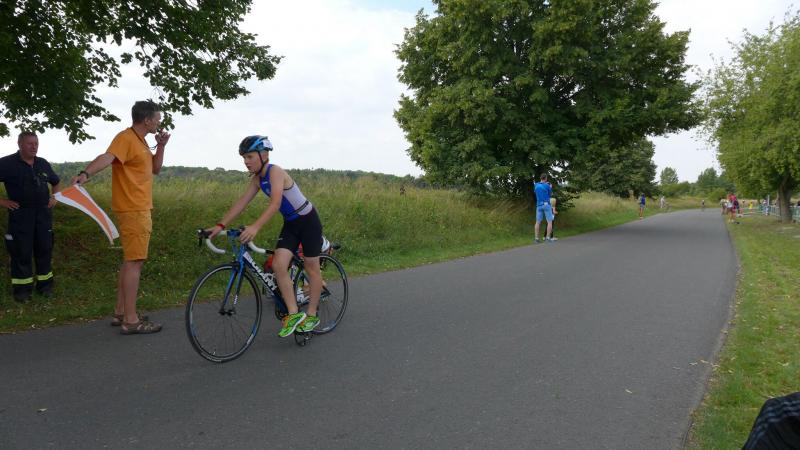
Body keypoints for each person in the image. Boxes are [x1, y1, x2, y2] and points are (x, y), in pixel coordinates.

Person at [206, 135, 325, 337]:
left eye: (250, 157)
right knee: (278, 265)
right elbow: (242, 203)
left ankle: (312, 314)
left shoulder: (275, 172)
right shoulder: (257, 180)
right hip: (291, 224)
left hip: (308, 221)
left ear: (263, 155)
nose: (246, 162)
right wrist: (220, 225)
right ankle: (294, 313)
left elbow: (275, 203)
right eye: (244, 158)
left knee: (311, 267)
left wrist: (255, 227)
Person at [71, 100, 170, 334]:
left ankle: (121, 311)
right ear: (147, 120)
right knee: (135, 262)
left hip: (137, 208)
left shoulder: (140, 141)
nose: (159, 123)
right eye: (157, 119)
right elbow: (107, 157)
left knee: (130, 260)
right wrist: (85, 173)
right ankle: (131, 321)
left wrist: (161, 146)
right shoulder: (125, 138)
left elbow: (155, 169)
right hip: (134, 209)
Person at [0, 132, 61, 302]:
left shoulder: (42, 163)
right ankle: (22, 291)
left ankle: (45, 287)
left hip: (43, 214)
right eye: (30, 143)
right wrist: (3, 201)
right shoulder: (7, 163)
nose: (34, 147)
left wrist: (54, 197)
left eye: (36, 143)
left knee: (44, 250)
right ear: (19, 144)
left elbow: (56, 182)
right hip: (21, 214)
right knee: (21, 252)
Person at [533, 173, 556, 243]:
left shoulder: (536, 185)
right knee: (549, 221)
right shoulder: (547, 185)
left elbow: (535, 192)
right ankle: (548, 238)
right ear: (546, 178)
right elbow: (550, 194)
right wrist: (550, 187)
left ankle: (536, 239)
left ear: (540, 178)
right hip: (546, 205)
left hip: (539, 205)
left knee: (538, 222)